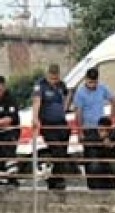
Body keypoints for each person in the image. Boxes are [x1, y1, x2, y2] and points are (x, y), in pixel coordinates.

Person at [32, 63, 72, 191]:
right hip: (48, 124)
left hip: (61, 123)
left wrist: (65, 108)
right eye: (52, 78)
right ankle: (56, 179)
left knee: (62, 153)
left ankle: (56, 179)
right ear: (48, 74)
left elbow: (67, 95)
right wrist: (35, 118)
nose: (54, 80)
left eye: (56, 78)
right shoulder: (41, 85)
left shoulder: (61, 84)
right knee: (57, 149)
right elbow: (37, 101)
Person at [73, 67, 115, 147]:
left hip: (102, 128)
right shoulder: (80, 93)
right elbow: (78, 113)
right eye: (90, 82)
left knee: (102, 154)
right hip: (88, 128)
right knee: (91, 153)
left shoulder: (102, 88)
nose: (92, 85)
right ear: (86, 79)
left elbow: (114, 100)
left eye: (95, 82)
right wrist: (80, 131)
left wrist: (111, 119)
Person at [84, 117, 115, 190]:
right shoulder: (91, 134)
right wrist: (101, 141)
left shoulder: (113, 135)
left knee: (114, 166)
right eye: (101, 130)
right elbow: (88, 142)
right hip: (96, 162)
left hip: (108, 161)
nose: (104, 132)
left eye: (107, 130)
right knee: (95, 166)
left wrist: (110, 145)